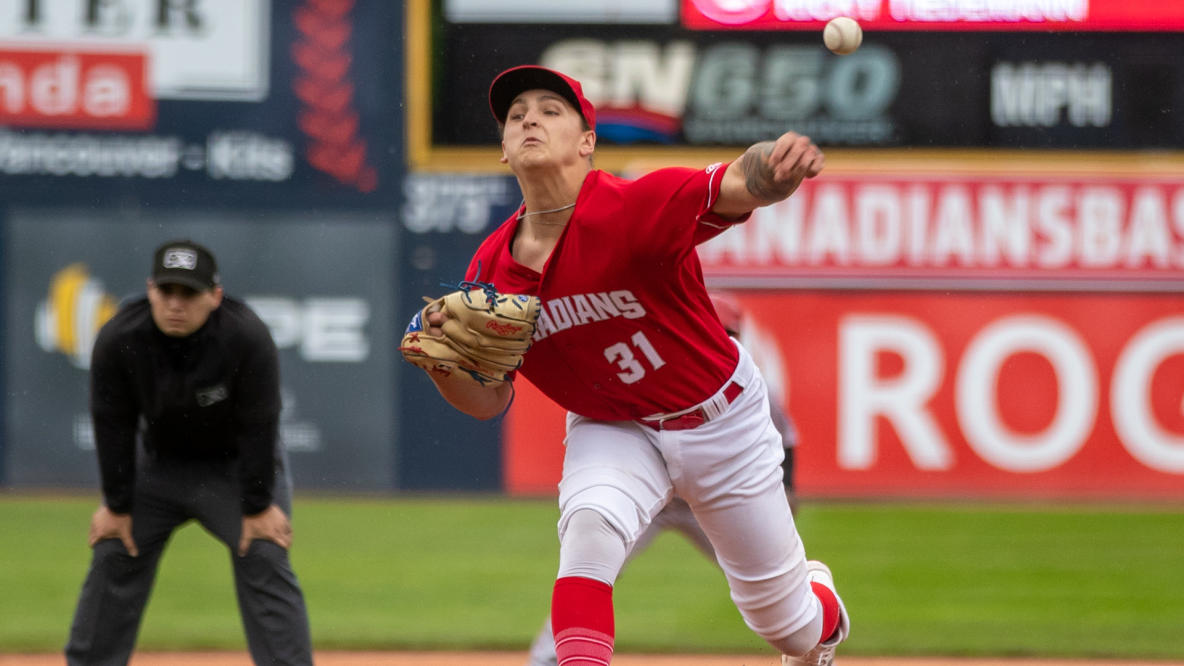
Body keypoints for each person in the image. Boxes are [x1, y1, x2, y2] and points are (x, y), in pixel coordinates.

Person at [410, 65, 849, 665]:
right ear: (505, 150)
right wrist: (443, 368)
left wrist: (773, 167)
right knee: (589, 530)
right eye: (516, 116)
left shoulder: (631, 206)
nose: (530, 119)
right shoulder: (491, 271)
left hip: (720, 421)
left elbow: (738, 182)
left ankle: (816, 599)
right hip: (612, 427)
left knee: (787, 625)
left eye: (550, 110)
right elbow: (489, 400)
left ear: (587, 141)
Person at [65, 240, 314, 666]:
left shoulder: (245, 336)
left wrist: (258, 507)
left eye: (189, 293)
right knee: (113, 547)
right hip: (158, 467)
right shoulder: (119, 337)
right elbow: (112, 424)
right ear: (150, 291)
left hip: (235, 469)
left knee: (264, 550)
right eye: (167, 292)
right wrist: (117, 504)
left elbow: (261, 423)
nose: (176, 304)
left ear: (214, 297)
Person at [525, 291, 803, 666]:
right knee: (593, 563)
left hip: (709, 499)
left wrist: (786, 486)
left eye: (728, 331)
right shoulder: (645, 369)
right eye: (717, 328)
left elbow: (786, 440)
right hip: (652, 502)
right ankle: (546, 657)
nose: (723, 336)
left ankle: (809, 638)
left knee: (774, 591)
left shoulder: (749, 383)